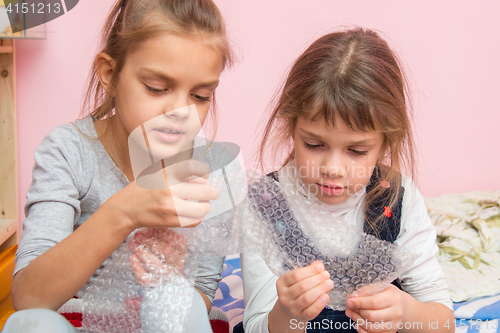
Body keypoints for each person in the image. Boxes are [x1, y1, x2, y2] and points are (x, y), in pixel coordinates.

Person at [7, 0, 233, 332]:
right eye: (157, 89)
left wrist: (170, 279)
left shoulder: (211, 168)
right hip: (79, 322)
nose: (181, 112)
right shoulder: (70, 151)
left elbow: (200, 300)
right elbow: (29, 297)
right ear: (110, 75)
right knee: (31, 325)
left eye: (200, 96)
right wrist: (123, 211)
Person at [239, 28, 455, 333]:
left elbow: (443, 323)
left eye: (356, 150)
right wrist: (288, 314)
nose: (332, 168)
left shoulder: (398, 199)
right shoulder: (266, 205)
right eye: (314, 145)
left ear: (385, 145)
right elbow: (258, 326)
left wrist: (406, 313)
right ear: (292, 129)